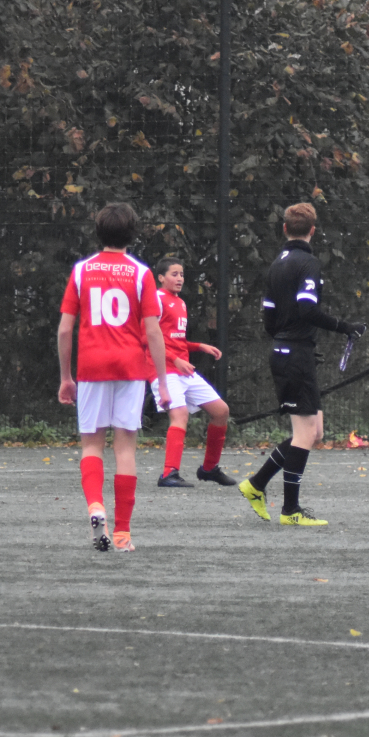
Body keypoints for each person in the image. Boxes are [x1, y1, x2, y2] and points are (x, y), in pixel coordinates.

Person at [238, 202, 366, 526]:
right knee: (306, 433)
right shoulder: (308, 263)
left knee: (314, 431)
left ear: (284, 229)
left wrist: (293, 343)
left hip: (290, 352)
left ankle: (256, 485)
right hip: (293, 354)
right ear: (312, 230)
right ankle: (290, 510)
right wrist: (344, 327)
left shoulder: (276, 265)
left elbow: (269, 319)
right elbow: (306, 309)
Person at [57, 202, 170, 552]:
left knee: (92, 445)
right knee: (125, 449)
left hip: (92, 367)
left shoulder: (81, 271)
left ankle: (96, 506)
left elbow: (65, 329)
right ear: (132, 234)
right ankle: (122, 534)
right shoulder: (141, 273)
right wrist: (162, 381)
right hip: (130, 368)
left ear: (98, 232)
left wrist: (66, 376)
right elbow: (153, 331)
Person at [150, 261, 239, 488]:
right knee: (179, 415)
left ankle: (209, 469)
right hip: (164, 371)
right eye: (174, 274)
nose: (180, 278)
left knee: (221, 411)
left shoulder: (180, 302)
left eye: (181, 274)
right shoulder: (156, 299)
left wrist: (199, 346)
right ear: (161, 277)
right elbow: (146, 339)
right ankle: (168, 474)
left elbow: (176, 341)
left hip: (183, 370)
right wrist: (175, 359)